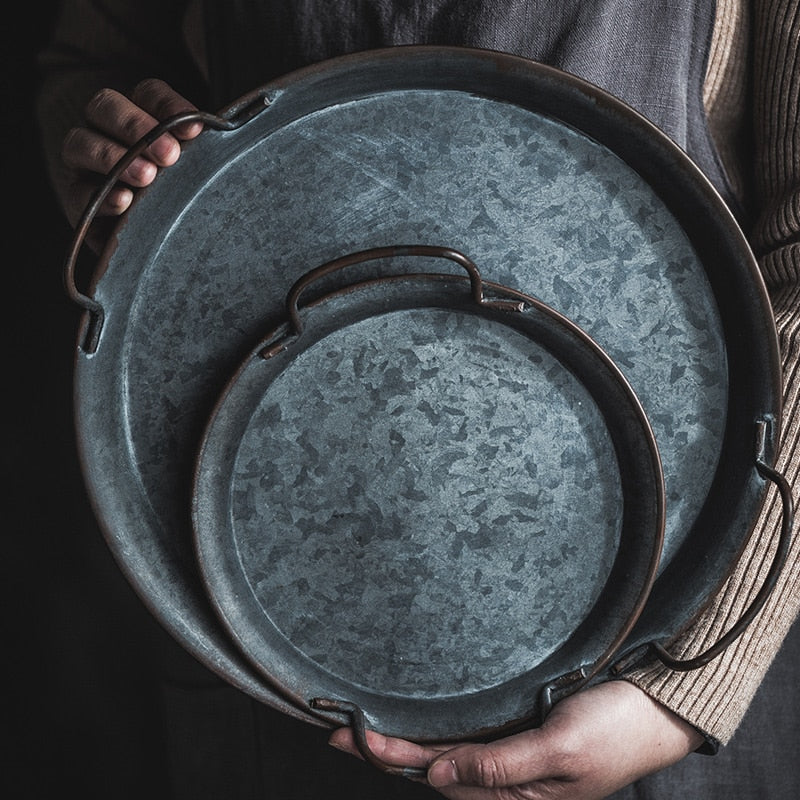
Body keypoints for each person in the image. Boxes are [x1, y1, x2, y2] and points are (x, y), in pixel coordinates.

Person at [35, 1, 800, 798]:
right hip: (258, 594)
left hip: (654, 641)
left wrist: (682, 689)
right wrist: (117, 188)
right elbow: (92, 62)